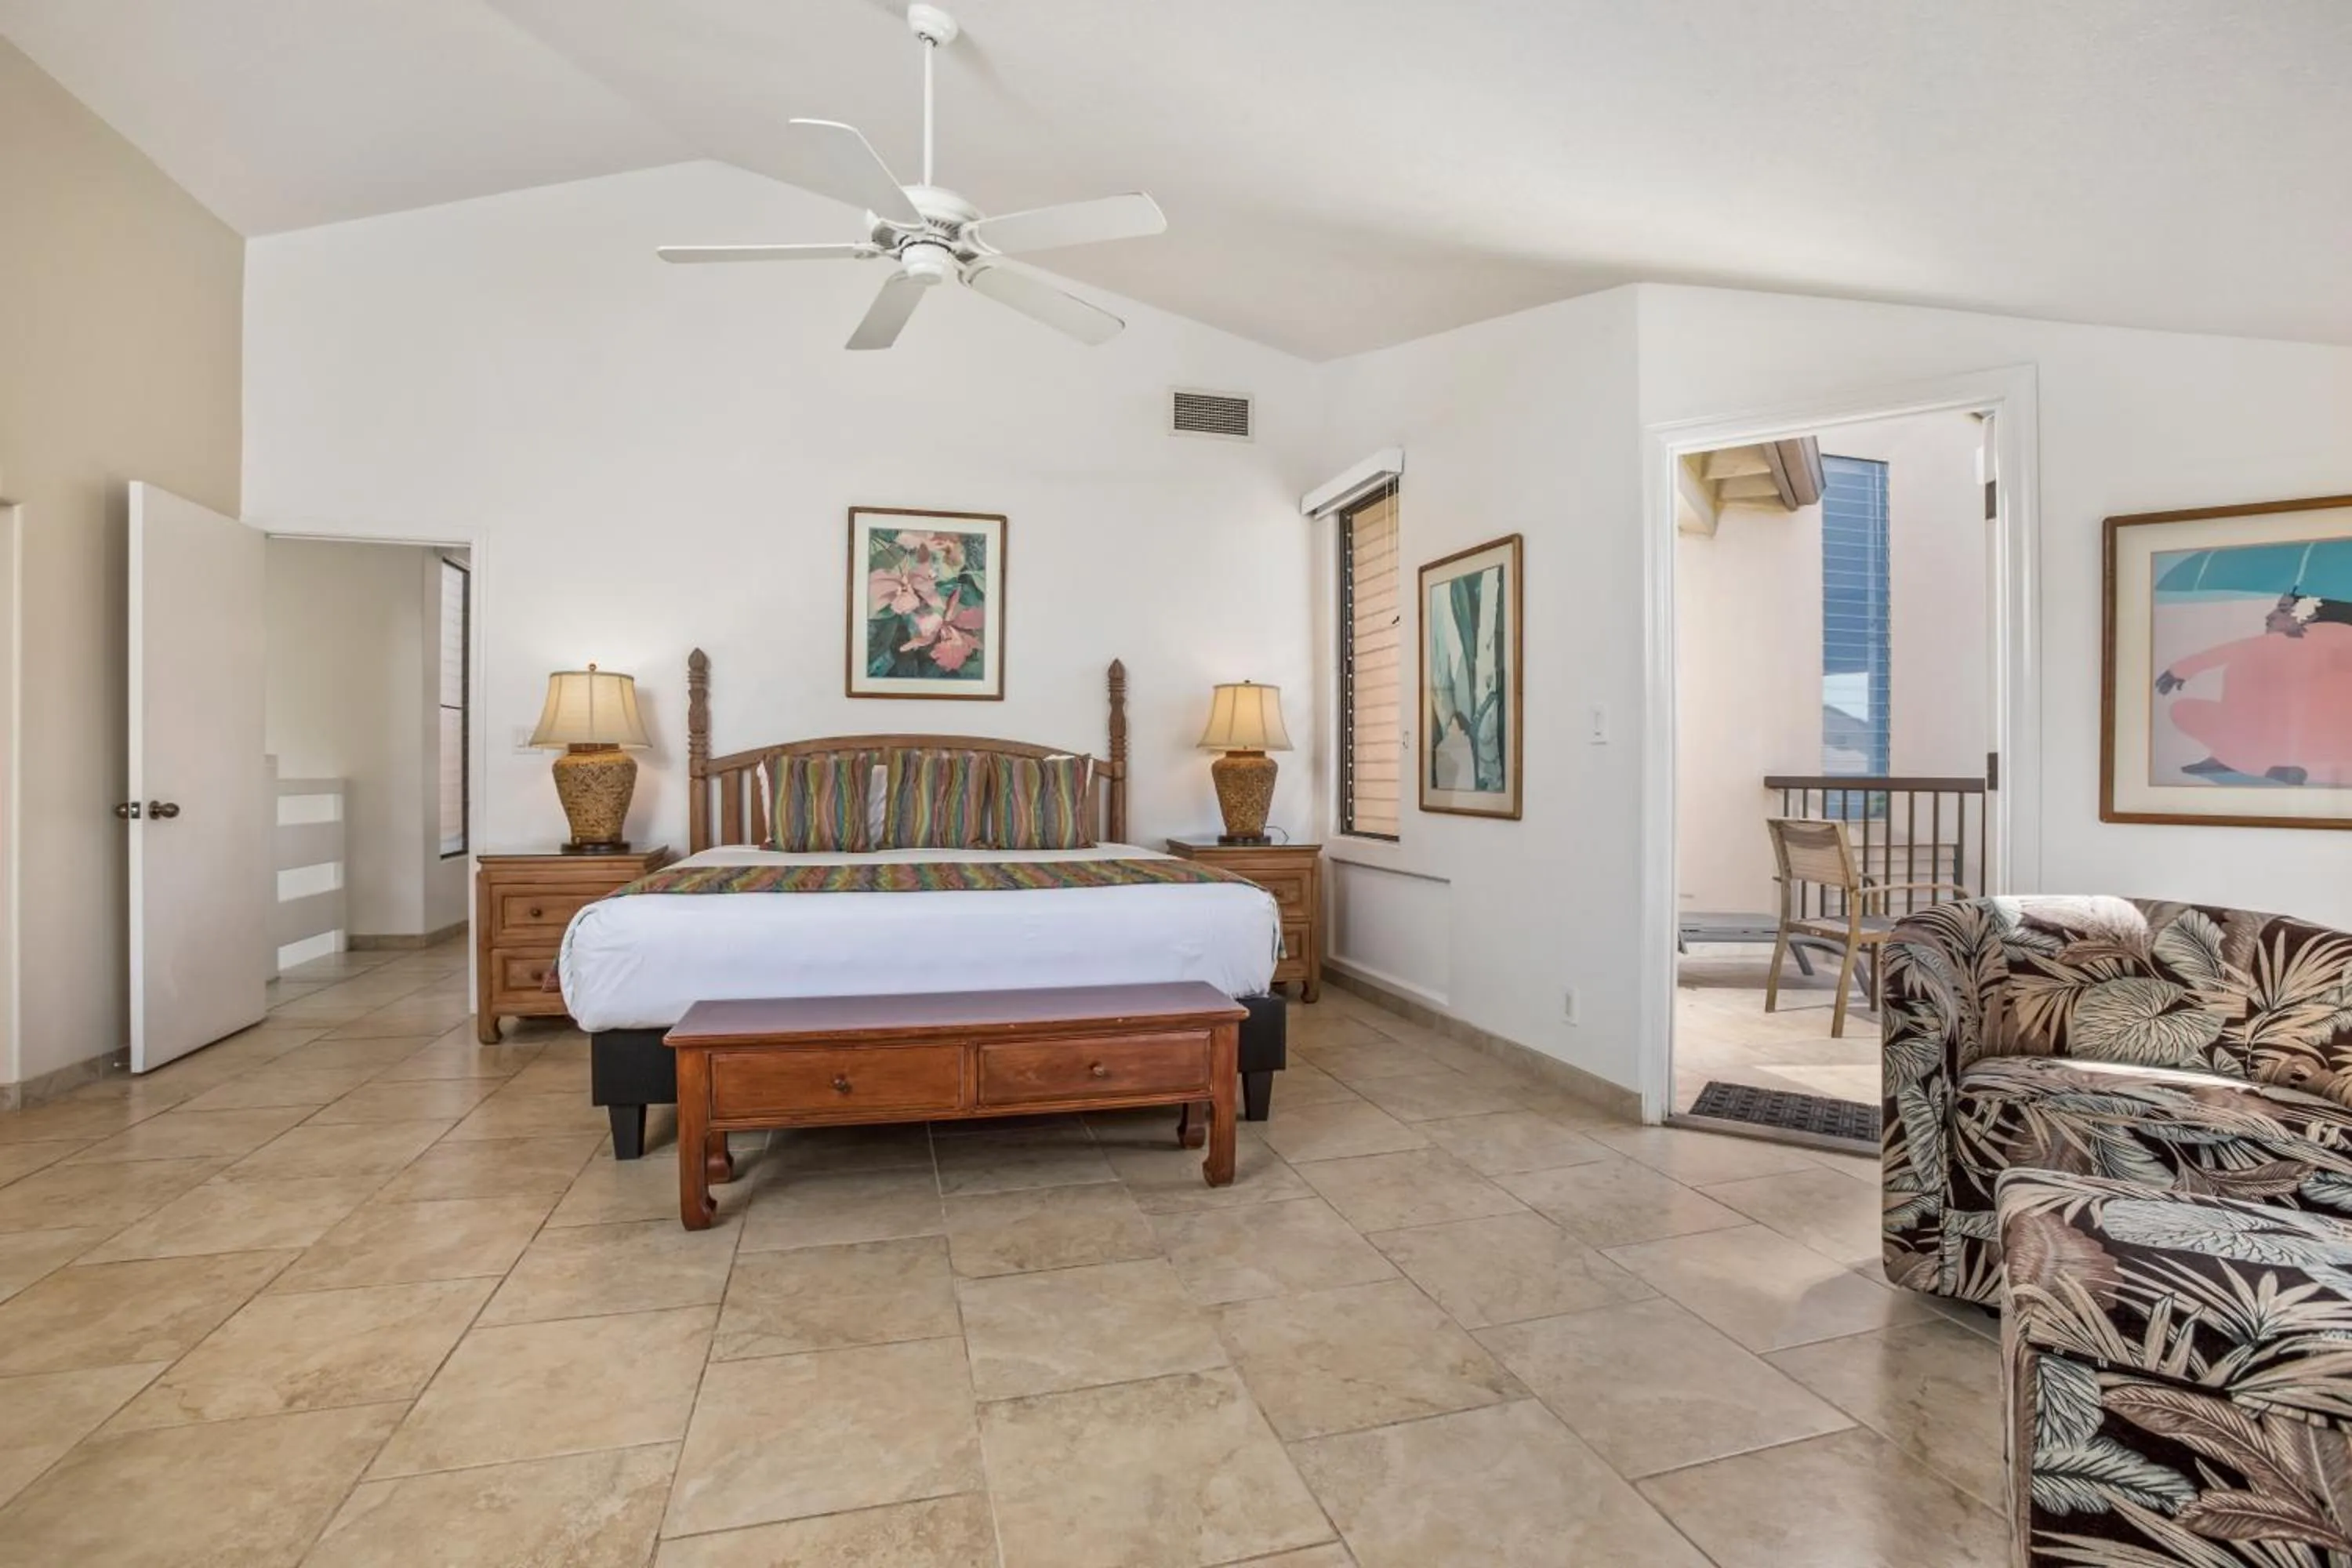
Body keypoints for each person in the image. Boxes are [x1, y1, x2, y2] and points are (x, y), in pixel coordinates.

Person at [2156, 592, 2352, 786]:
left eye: (2283, 610)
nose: (2270, 616)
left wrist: (2182, 668)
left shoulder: (2314, 635)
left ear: (2311, 616)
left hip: (2284, 747)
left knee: (2186, 708)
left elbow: (2239, 649)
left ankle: (2245, 763)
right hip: (2333, 757)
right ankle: (2245, 761)